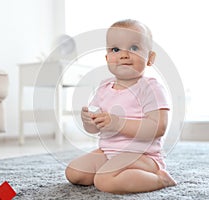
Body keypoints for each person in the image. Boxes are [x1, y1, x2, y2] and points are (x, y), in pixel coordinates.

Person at [65, 19, 176, 194]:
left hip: (142, 156)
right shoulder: (104, 87)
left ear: (150, 58)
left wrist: (118, 123)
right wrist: (89, 121)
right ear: (107, 57)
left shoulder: (150, 88)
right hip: (109, 152)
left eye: (134, 48)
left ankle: (159, 178)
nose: (124, 55)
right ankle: (120, 173)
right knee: (74, 172)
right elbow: (95, 128)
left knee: (103, 180)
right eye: (115, 49)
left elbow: (159, 128)